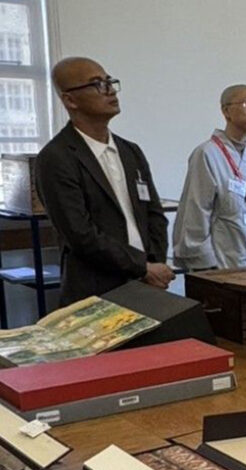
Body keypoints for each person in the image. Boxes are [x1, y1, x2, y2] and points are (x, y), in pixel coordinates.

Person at [36, 57, 173, 306]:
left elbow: (154, 215)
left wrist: (155, 264)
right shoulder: (56, 157)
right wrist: (141, 267)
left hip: (146, 285)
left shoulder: (130, 151)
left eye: (109, 81)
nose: (110, 90)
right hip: (96, 292)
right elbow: (80, 234)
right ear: (70, 100)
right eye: (97, 84)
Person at [173, 85, 246, 270]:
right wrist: (206, 267)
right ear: (226, 111)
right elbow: (196, 212)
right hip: (221, 268)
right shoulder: (207, 154)